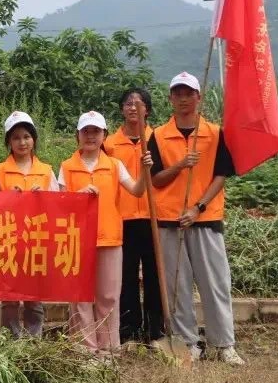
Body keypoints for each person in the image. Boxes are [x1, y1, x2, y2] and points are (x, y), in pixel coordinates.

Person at [148, 72, 244, 365]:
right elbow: (156, 179)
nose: (183, 99)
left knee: (215, 283)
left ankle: (223, 344)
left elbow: (221, 175)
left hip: (205, 219)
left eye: (189, 93)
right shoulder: (158, 136)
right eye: (178, 94)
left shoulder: (214, 133)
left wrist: (198, 208)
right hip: (170, 220)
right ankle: (188, 343)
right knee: (177, 287)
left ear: (198, 97)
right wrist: (180, 165)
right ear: (170, 99)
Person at [58, 111, 151, 356]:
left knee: (108, 296)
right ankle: (85, 349)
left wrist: (145, 171)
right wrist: (77, 197)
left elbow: (137, 190)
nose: (90, 136)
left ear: (104, 136)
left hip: (110, 238)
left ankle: (109, 348)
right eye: (85, 131)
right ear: (77, 135)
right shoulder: (67, 167)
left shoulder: (114, 165)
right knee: (81, 297)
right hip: (77, 240)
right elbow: (60, 204)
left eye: (96, 131)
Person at [0, 111, 58, 338]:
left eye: (26, 136)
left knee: (34, 297)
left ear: (34, 139)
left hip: (36, 241)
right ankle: (10, 339)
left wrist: (43, 196)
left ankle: (33, 340)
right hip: (8, 241)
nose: (22, 142)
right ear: (9, 141)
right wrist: (7, 198)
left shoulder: (46, 171)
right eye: (16, 137)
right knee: (9, 297)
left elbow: (58, 207)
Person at [104, 87, 164, 345]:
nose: (132, 107)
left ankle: (155, 329)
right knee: (126, 275)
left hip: (154, 216)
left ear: (147, 110)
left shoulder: (157, 139)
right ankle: (128, 329)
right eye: (128, 103)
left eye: (138, 103)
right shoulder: (109, 144)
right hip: (123, 217)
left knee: (155, 274)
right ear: (121, 109)